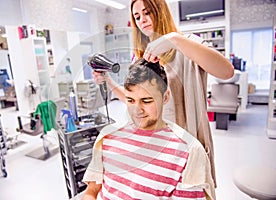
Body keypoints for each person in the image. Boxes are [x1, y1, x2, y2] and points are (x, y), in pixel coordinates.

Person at [92, 0, 235, 186]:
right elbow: (135, 102)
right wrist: (108, 82)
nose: (142, 20)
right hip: (155, 146)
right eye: (137, 17)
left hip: (185, 147)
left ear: (161, 11)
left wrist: (174, 40)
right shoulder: (141, 57)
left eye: (147, 12)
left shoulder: (187, 44)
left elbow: (226, 72)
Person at [82, 59, 216, 200]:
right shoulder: (108, 137)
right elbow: (91, 191)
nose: (137, 110)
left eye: (146, 101)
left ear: (165, 97)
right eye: (130, 100)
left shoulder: (187, 152)